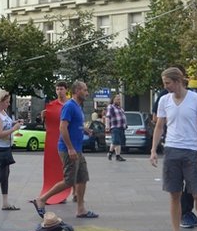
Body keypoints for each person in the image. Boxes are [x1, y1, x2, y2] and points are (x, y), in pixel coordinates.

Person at [150, 67, 197, 231]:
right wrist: (154, 150)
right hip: (171, 150)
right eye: (164, 83)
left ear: (178, 81)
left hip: (192, 151)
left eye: (167, 83)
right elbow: (159, 126)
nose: (165, 86)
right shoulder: (164, 100)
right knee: (174, 194)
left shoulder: (196, 99)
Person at [31, 80, 98, 220]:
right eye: (85, 90)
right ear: (77, 90)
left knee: (82, 178)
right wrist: (70, 148)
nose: (87, 93)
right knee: (68, 181)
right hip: (69, 149)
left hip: (77, 149)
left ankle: (81, 209)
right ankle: (42, 199)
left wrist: (85, 130)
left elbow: (75, 125)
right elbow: (62, 127)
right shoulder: (69, 106)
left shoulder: (77, 107)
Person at [39, 81, 72, 205]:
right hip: (56, 142)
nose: (59, 91)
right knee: (59, 168)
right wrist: (44, 117)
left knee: (72, 167)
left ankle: (73, 192)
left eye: (61, 89)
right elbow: (49, 126)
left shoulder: (71, 104)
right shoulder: (52, 105)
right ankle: (58, 192)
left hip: (70, 139)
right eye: (57, 89)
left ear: (66, 90)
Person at [104, 93, 127, 162]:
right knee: (117, 141)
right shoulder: (111, 107)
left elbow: (123, 117)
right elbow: (107, 117)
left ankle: (110, 153)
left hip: (121, 127)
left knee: (115, 141)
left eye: (119, 99)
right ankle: (118, 156)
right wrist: (107, 126)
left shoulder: (120, 108)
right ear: (113, 100)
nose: (119, 100)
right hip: (115, 126)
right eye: (117, 99)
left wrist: (125, 124)